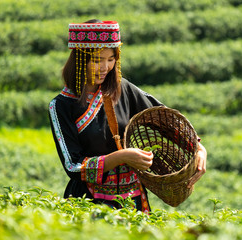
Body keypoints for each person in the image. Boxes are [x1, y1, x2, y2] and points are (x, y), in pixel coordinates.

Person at [48, 19, 207, 213]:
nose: (105, 67)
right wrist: (122, 156)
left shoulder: (122, 89)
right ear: (80, 59)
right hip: (87, 202)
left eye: (111, 59)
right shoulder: (61, 106)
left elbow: (165, 119)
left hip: (133, 199)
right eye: (97, 60)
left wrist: (198, 147)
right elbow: (73, 166)